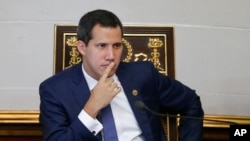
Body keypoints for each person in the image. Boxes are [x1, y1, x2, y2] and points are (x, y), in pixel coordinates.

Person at [39, 9, 204, 141]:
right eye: (102, 46)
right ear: (82, 48)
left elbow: (190, 102)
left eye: (117, 45)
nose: (111, 55)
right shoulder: (55, 90)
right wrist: (91, 108)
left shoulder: (143, 75)